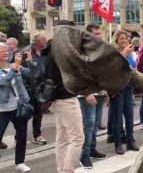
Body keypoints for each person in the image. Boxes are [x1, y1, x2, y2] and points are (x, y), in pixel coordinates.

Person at [47, 21, 84, 173]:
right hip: (66, 98)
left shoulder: (50, 47)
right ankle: (68, 170)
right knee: (77, 139)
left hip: (55, 99)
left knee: (62, 139)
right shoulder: (63, 50)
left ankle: (61, 169)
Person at [77, 24, 107, 168]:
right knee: (88, 126)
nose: (99, 35)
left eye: (99, 33)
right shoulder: (82, 51)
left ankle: (92, 149)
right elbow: (79, 74)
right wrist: (86, 92)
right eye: (96, 33)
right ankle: (84, 155)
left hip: (99, 93)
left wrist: (105, 89)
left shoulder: (99, 50)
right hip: (87, 95)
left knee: (95, 125)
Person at [0, 42, 31, 172]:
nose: (6, 53)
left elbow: (30, 74)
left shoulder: (13, 66)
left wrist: (28, 62)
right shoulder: (14, 66)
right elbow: (4, 81)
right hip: (2, 109)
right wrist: (16, 66)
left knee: (22, 135)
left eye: (6, 50)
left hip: (19, 107)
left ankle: (20, 162)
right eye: (2, 51)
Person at [110, 30, 139, 154]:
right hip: (117, 88)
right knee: (118, 118)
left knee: (129, 115)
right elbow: (113, 67)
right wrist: (125, 54)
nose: (124, 41)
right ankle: (118, 144)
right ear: (116, 41)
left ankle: (130, 141)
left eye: (126, 39)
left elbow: (133, 67)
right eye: (121, 39)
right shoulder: (113, 53)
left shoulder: (131, 52)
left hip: (128, 87)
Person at [29, 33, 48, 145]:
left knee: (38, 113)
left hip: (40, 89)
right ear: (37, 42)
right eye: (43, 40)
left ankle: (37, 135)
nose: (45, 41)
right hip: (29, 89)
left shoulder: (45, 53)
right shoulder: (27, 53)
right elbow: (25, 72)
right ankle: (19, 134)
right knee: (23, 114)